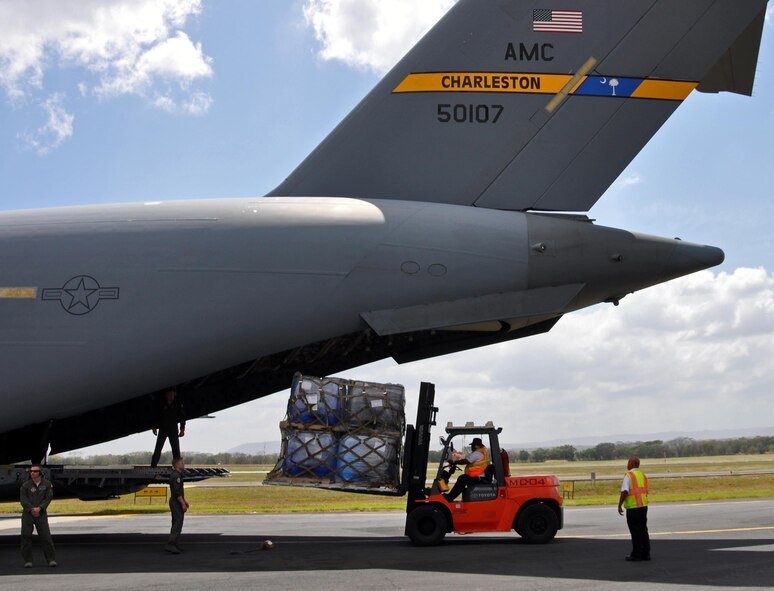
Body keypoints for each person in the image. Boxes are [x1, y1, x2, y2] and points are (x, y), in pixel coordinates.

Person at [20, 465, 57, 568]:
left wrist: (40, 508)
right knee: (25, 536)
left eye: (35, 471)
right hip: (28, 514)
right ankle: (28, 560)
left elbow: (48, 497)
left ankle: (51, 559)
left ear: (40, 473)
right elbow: (23, 499)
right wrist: (31, 509)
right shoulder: (25, 485)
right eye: (31, 471)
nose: (32, 473)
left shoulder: (47, 484)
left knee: (46, 536)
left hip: (41, 513)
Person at [617, 456, 651, 561]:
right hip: (643, 506)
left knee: (635, 532)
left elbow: (625, 491)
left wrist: (619, 504)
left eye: (628, 462)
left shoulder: (629, 476)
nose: (627, 464)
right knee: (643, 530)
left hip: (633, 508)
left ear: (631, 464)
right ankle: (646, 553)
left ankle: (636, 554)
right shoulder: (642, 475)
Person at [443, 437, 490, 502]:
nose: (471, 447)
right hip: (480, 475)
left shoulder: (477, 453)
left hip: (478, 477)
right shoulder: (483, 451)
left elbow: (466, 461)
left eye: (472, 446)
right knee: (463, 478)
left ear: (476, 446)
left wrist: (455, 462)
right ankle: (451, 497)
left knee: (462, 479)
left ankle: (449, 498)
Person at [150, 388, 186, 467]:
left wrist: (182, 429)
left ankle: (178, 466)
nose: (171, 397)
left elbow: (182, 417)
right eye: (169, 395)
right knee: (158, 448)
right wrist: (154, 426)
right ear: (166, 395)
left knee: (176, 449)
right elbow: (156, 415)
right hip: (163, 429)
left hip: (173, 429)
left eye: (172, 395)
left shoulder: (177, 404)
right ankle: (153, 465)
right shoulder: (161, 403)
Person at [165, 456, 189, 554]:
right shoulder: (176, 476)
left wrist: (184, 501)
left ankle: (174, 544)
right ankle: (171, 544)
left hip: (176, 501)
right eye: (182, 463)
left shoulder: (177, 474)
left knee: (177, 522)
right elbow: (177, 492)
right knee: (177, 523)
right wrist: (182, 503)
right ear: (177, 465)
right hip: (176, 502)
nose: (183, 464)